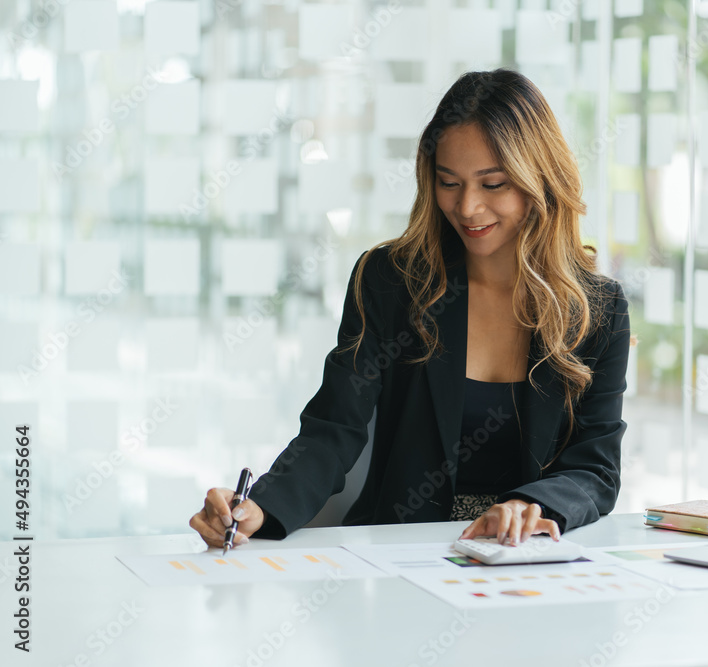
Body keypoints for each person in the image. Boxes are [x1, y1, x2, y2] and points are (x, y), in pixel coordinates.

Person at [189, 67, 630, 551]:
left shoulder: (596, 310)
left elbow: (596, 466)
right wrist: (260, 506)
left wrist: (534, 505)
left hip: (524, 561)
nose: (467, 207)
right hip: (401, 558)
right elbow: (334, 428)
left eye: (493, 184)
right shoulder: (390, 282)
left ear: (538, 180)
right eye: (449, 182)